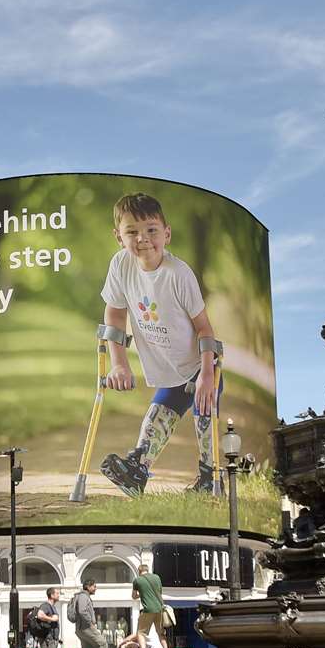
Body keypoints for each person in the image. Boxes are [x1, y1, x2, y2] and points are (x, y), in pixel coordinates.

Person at [97, 192, 224, 496]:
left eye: (151, 230)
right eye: (131, 232)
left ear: (166, 234)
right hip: (168, 370)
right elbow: (114, 315)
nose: (142, 239)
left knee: (204, 420)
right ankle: (137, 469)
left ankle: (210, 480)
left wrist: (207, 376)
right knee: (156, 421)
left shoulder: (178, 275)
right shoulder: (121, 265)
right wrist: (119, 363)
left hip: (199, 367)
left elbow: (205, 329)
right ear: (118, 237)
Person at [70, 578, 104, 648]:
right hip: (86, 627)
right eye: (94, 586)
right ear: (88, 587)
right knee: (103, 644)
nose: (95, 588)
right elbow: (82, 611)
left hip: (81, 628)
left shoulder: (81, 596)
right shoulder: (83, 597)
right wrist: (90, 623)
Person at [130, 560, 166, 645]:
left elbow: (134, 596)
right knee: (160, 633)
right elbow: (160, 592)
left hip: (148, 610)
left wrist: (141, 594)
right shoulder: (157, 577)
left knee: (140, 633)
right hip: (159, 609)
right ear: (147, 570)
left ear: (139, 571)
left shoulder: (137, 580)